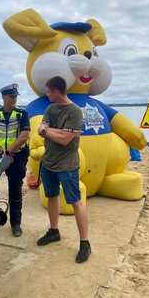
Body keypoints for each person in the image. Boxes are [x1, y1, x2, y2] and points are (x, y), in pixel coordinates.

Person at [37, 76, 91, 263]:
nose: (47, 93)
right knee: (52, 196)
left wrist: (48, 131)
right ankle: (54, 231)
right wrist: (51, 131)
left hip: (67, 166)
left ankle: (85, 243)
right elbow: (40, 129)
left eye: (49, 90)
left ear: (57, 91)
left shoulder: (75, 112)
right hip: (48, 163)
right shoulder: (50, 108)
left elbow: (64, 139)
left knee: (76, 202)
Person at [0, 83, 30, 237]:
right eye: (11, 97)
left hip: (16, 157)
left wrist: (10, 150)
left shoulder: (21, 114)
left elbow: (24, 135)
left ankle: (16, 224)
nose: (14, 99)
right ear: (4, 97)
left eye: (15, 97)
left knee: (15, 191)